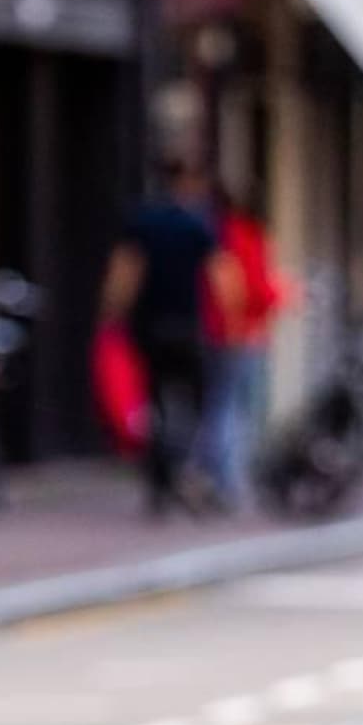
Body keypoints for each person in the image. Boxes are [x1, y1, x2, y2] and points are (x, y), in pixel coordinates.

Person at [99, 156, 227, 517]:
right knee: (198, 403)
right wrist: (228, 324)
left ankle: (160, 480)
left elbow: (124, 274)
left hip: (148, 327)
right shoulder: (197, 225)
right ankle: (184, 470)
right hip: (186, 326)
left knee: (153, 403)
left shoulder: (142, 222)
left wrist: (112, 315)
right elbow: (222, 276)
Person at [197, 186, 290, 509]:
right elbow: (252, 287)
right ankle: (226, 479)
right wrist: (286, 294)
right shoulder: (246, 236)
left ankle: (214, 474)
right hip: (241, 334)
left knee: (219, 404)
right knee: (236, 408)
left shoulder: (217, 233)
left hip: (215, 332)